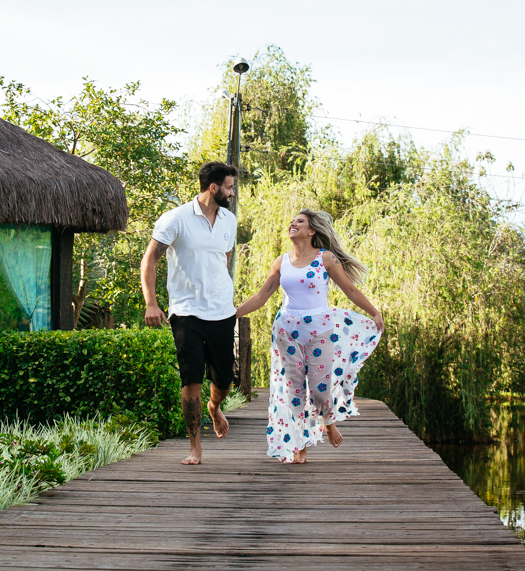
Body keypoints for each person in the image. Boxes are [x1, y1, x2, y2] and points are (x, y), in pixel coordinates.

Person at [235, 209, 384, 464]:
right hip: (286, 332)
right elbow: (261, 296)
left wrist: (374, 312)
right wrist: (233, 314)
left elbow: (349, 289)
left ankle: (328, 422)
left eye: (300, 221)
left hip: (319, 331)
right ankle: (300, 445)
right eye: (292, 221)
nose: (293, 223)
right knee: (294, 391)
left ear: (311, 230)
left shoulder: (325, 258)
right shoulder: (281, 262)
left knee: (318, 390)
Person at [141, 161, 239, 466]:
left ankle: (214, 406)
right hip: (186, 312)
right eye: (229, 187)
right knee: (191, 378)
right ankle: (195, 447)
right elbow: (149, 260)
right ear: (213, 187)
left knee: (225, 379)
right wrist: (151, 303)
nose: (232, 193)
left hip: (222, 310)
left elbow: (223, 258)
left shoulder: (229, 220)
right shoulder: (176, 219)